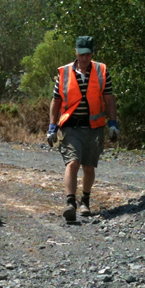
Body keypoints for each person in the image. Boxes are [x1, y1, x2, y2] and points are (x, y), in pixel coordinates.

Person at [47, 36, 119, 222]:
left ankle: (85, 201)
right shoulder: (64, 73)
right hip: (71, 126)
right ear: (76, 53)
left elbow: (109, 98)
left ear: (92, 54)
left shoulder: (101, 71)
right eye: (81, 54)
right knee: (73, 162)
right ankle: (70, 203)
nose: (84, 58)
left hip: (94, 127)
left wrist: (113, 123)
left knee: (88, 166)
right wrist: (52, 127)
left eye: (88, 54)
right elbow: (56, 101)